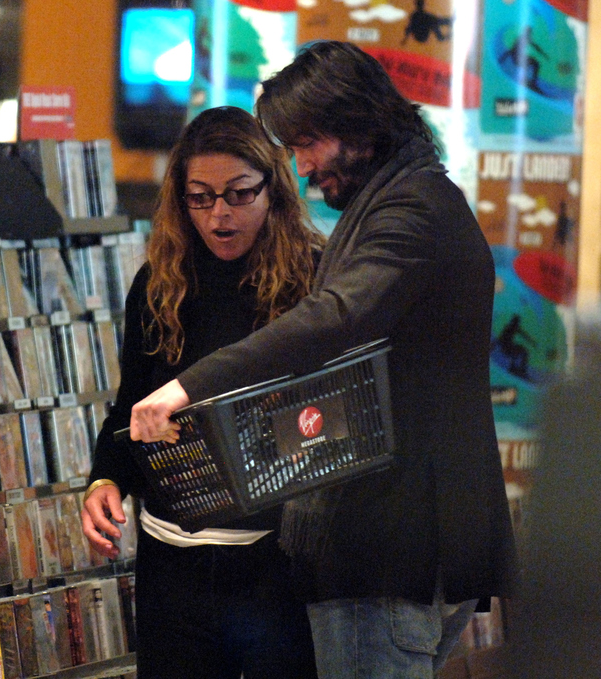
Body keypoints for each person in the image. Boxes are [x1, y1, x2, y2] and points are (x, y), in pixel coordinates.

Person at [129, 41, 518, 678]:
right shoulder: (407, 201)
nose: (303, 168)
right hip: (400, 548)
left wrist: (189, 387)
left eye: (309, 141)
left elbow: (334, 320)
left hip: (386, 549)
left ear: (358, 121)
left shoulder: (413, 210)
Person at [81, 106, 324, 679]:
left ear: (273, 189)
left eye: (239, 194)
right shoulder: (160, 280)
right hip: (172, 561)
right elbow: (130, 407)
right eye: (201, 196)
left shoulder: (312, 277)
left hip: (274, 560)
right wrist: (104, 479)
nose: (219, 215)